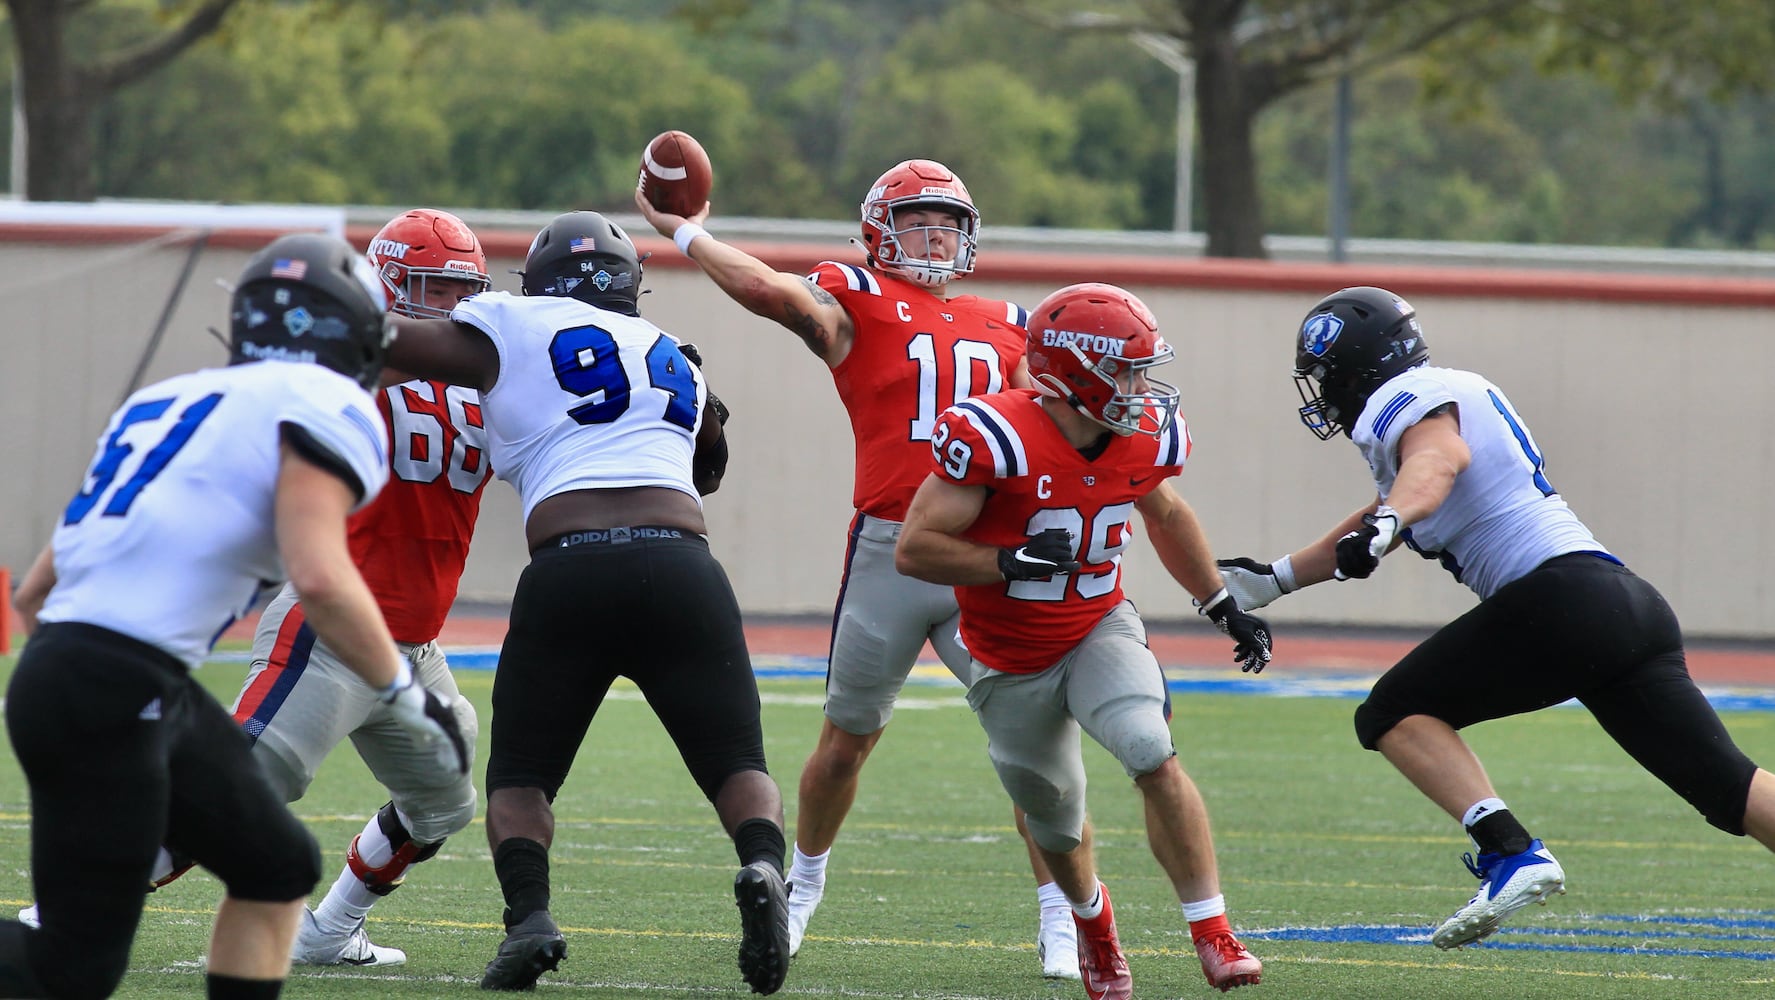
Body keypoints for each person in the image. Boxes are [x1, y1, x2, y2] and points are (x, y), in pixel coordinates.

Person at [1215, 285, 1775, 949]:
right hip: (1623, 603)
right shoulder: (1448, 395)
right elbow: (1386, 509)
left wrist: (1390, 518)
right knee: (1729, 790)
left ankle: (1509, 851)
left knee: (1391, 712)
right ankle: (1510, 849)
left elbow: (1436, 464)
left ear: (1357, 367)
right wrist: (1272, 581)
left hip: (1559, 598)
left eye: (1326, 375)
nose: (1323, 392)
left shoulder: (1408, 404)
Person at [637, 158, 1084, 978]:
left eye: (948, 222)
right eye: (917, 220)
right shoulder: (854, 296)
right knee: (845, 743)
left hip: (987, 557)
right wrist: (685, 230)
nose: (936, 235)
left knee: (1033, 750)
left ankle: (1062, 912)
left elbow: (1054, 419)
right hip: (890, 552)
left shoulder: (1007, 319)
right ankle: (802, 889)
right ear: (880, 230)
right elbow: (774, 294)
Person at [0, 233, 469, 999]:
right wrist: (403, 694)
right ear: (351, 327)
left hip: (80, 670)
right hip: (124, 681)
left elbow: (33, 593)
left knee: (274, 863)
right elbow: (319, 572)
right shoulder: (329, 403)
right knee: (74, 967)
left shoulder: (165, 398)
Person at [380, 210, 791, 994]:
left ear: (537, 285)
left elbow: (399, 343)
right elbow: (707, 470)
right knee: (737, 761)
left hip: (569, 569)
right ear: (628, 285)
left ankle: (529, 921)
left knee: (521, 779)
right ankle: (763, 868)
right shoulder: (675, 355)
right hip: (682, 566)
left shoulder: (515, 322)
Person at [894, 282, 1268, 997]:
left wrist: (1219, 601)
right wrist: (1003, 561)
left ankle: (1212, 931)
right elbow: (914, 549)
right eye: (1125, 369)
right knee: (1057, 826)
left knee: (1150, 752)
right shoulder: (994, 435)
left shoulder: (1144, 435)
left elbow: (1162, 511)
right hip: (1006, 659)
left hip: (1098, 625)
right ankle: (1094, 926)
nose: (1139, 386)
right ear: (1073, 372)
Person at [235, 208, 493, 967]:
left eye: (461, 291)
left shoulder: (482, 377)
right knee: (236, 785)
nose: (449, 308)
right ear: (385, 287)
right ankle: (67, 906)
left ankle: (328, 929)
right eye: (431, 290)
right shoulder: (345, 366)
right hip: (331, 627)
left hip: (414, 645)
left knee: (444, 800)